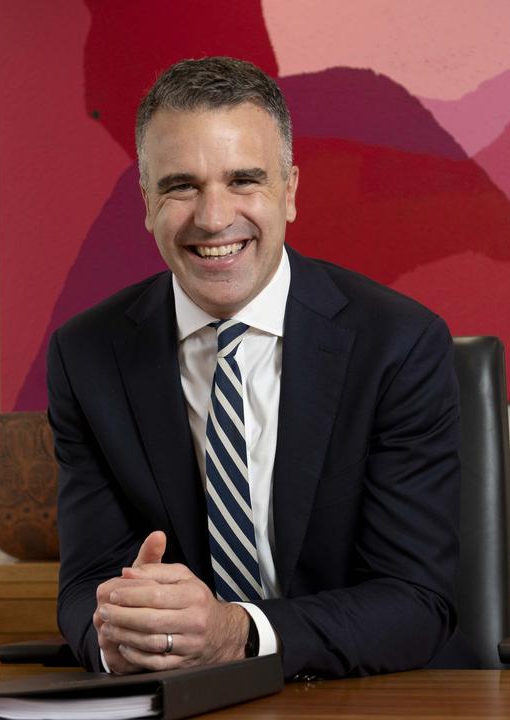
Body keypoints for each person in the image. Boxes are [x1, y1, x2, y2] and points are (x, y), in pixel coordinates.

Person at [47, 57, 461, 681]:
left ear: (290, 191)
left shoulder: (398, 345)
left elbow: (415, 600)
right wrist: (120, 637)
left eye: (244, 180)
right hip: (175, 700)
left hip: (357, 698)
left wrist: (233, 632)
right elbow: (85, 585)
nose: (214, 218)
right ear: (146, 202)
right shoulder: (87, 357)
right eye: (181, 185)